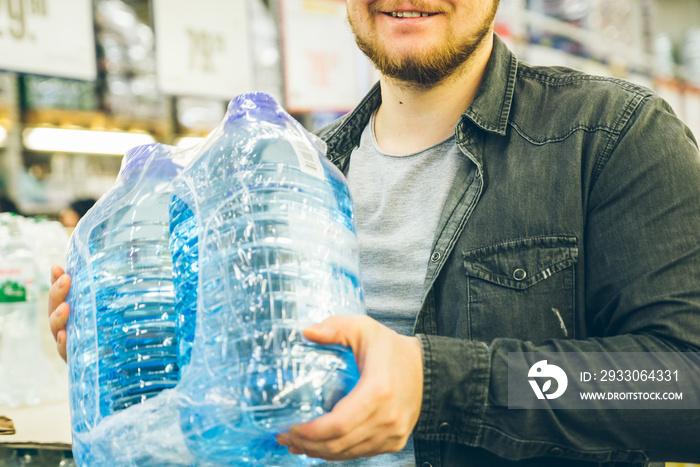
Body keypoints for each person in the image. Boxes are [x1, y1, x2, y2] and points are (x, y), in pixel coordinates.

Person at [49, 0, 700, 465]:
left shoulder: (610, 137)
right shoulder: (290, 175)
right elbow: (234, 401)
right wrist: (126, 338)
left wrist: (438, 379)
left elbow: (681, 387)